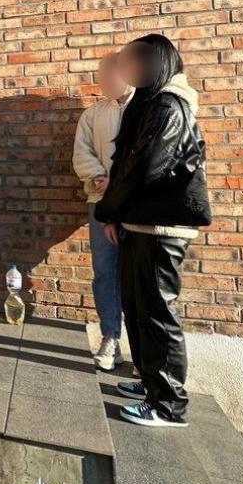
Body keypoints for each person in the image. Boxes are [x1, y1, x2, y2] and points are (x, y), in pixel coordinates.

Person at [95, 34, 211, 428]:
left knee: (159, 312)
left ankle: (169, 405)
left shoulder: (170, 105)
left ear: (154, 62)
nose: (124, 69)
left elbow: (144, 169)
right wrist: (116, 216)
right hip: (139, 222)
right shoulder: (147, 103)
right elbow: (126, 164)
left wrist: (108, 210)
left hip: (163, 226)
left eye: (130, 62)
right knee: (137, 307)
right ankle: (150, 383)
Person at [72, 52, 134, 371]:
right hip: (101, 201)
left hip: (138, 205)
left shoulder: (147, 108)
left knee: (137, 275)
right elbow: (81, 152)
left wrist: (122, 183)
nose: (103, 82)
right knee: (105, 270)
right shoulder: (93, 114)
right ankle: (111, 337)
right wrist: (98, 177)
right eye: (101, 77)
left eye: (109, 76)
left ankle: (142, 346)